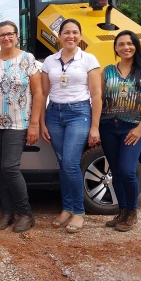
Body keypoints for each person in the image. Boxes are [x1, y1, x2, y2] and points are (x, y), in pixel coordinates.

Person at [0, 20, 43, 233]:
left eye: (10, 34)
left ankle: (26, 213)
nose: (6, 38)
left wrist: (34, 124)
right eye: (1, 35)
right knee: (0, 170)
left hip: (18, 122)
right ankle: (7, 212)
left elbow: (39, 93)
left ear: (17, 36)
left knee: (9, 167)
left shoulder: (27, 59)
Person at [40, 18, 101, 234]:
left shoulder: (88, 59)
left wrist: (95, 127)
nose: (71, 36)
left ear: (80, 36)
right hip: (54, 114)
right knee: (62, 163)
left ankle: (78, 211)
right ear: (59, 36)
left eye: (75, 32)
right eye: (66, 32)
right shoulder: (49, 61)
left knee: (71, 163)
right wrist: (41, 122)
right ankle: (66, 208)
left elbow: (96, 95)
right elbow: (43, 94)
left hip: (79, 113)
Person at [100, 30, 141, 232]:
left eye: (129, 43)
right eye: (121, 44)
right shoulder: (107, 71)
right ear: (115, 48)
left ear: (136, 46)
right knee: (115, 172)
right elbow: (99, 100)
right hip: (107, 127)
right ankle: (122, 211)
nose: (126, 47)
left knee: (127, 170)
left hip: (131, 128)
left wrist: (140, 127)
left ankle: (132, 211)